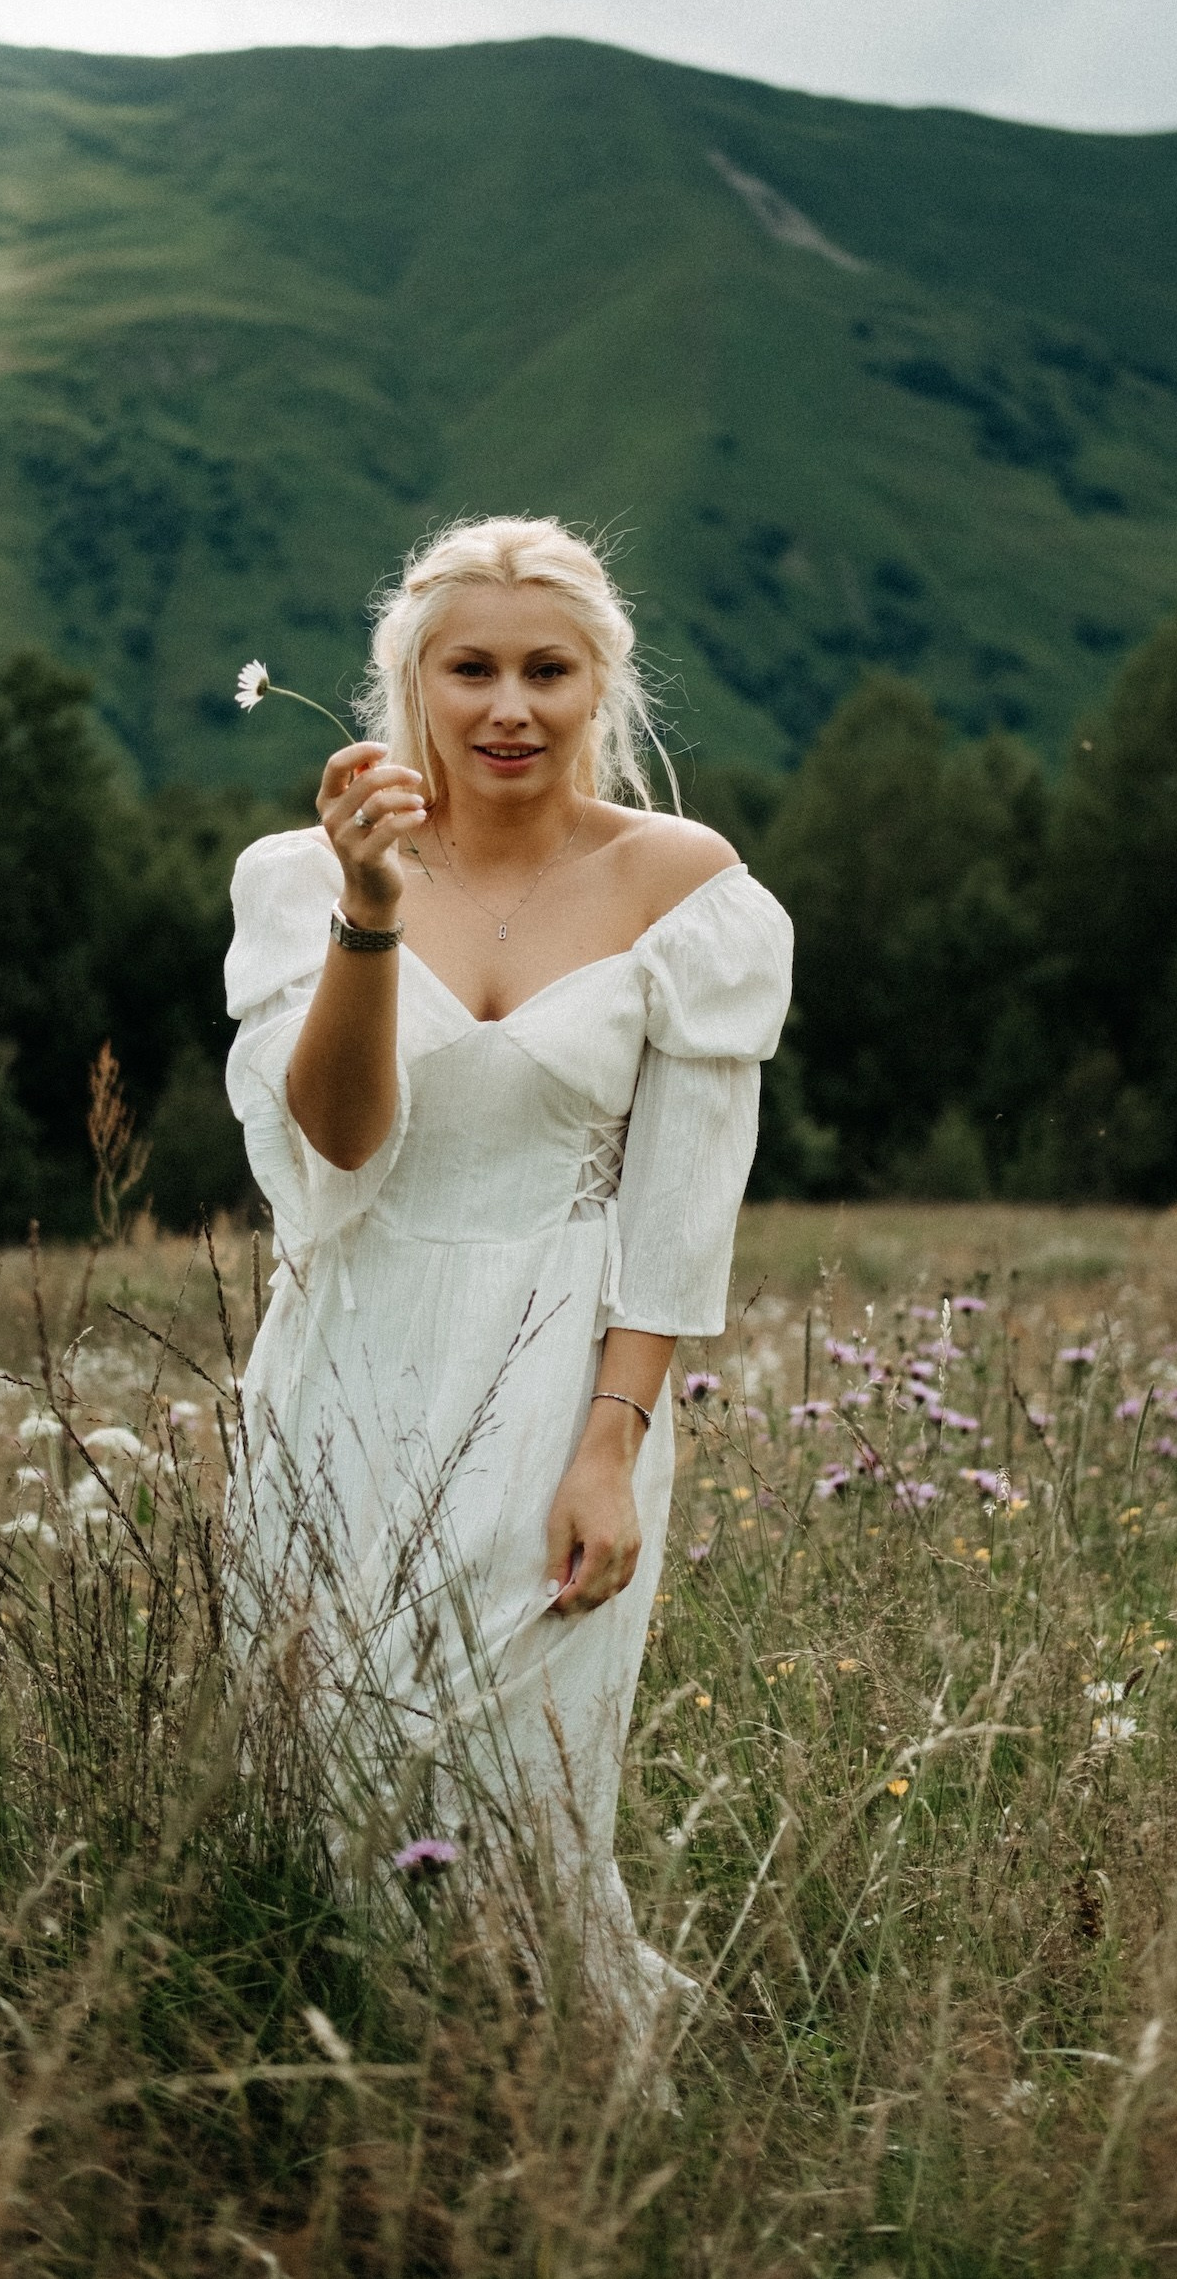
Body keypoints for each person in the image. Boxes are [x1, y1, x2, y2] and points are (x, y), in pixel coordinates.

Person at [222, 515, 791, 2045]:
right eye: (469, 668)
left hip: (561, 1393)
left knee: (526, 1785)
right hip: (343, 1369)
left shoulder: (685, 888)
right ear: (408, 681)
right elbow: (335, 1152)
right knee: (330, 1771)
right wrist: (370, 915)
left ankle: (566, 2112)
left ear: (603, 685)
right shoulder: (301, 881)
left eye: (548, 669)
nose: (507, 707)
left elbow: (681, 1217)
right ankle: (356, 2094)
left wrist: (611, 1446)